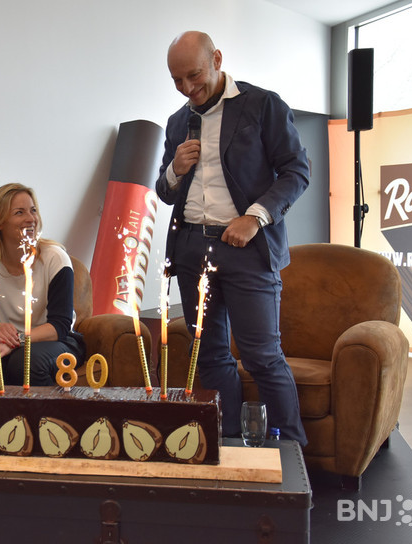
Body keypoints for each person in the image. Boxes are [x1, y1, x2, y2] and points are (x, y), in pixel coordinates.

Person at [155, 31, 309, 446]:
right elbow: (164, 191)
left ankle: (291, 456)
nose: (187, 88)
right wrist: (173, 170)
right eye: (177, 81)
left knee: (261, 357)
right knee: (209, 356)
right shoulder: (176, 122)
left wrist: (255, 218)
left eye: (194, 75)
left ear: (217, 59)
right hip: (189, 250)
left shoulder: (263, 105)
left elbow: (297, 171)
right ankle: (227, 447)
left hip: (246, 249)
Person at [0, 183, 84, 386]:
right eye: (19, 212)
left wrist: (16, 341)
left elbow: (60, 325)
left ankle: (50, 418)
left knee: (25, 363)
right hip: (9, 342)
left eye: (33, 211)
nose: (30, 219)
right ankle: (1, 418)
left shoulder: (55, 259)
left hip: (57, 340)